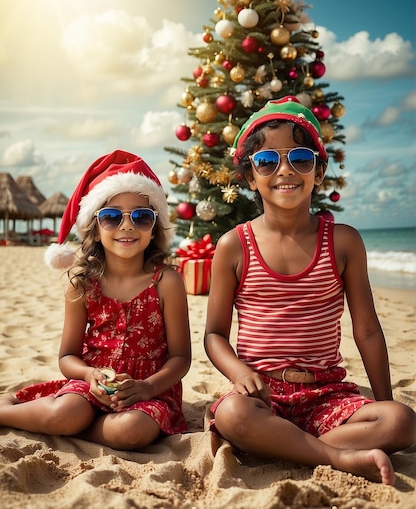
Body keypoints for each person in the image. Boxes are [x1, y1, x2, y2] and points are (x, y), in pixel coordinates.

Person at [204, 96, 415, 486]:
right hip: (262, 396)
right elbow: (214, 335)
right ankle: (335, 455)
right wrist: (238, 372)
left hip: (326, 395)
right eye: (268, 161)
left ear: (318, 172)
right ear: (251, 177)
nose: (285, 170)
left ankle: (288, 445)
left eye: (300, 159)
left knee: (401, 421)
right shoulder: (234, 245)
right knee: (234, 415)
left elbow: (367, 330)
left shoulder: (344, 242)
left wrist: (383, 400)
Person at [0, 150, 191, 451]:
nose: (127, 226)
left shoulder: (167, 281)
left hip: (150, 392)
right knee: (67, 412)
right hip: (91, 385)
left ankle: (75, 427)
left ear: (154, 228)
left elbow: (181, 358)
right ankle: (7, 411)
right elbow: (67, 357)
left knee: (130, 432)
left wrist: (146, 387)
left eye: (141, 217)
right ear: (95, 227)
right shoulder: (83, 285)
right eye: (112, 217)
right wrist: (89, 375)